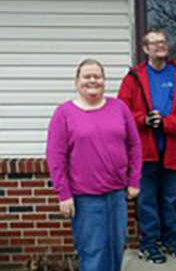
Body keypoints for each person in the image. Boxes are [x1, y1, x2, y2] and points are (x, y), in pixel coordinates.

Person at [46, 58, 142, 271]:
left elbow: (134, 145)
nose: (92, 80)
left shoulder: (119, 108)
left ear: (104, 80)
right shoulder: (64, 113)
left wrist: (134, 180)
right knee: (94, 255)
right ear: (76, 81)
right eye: (86, 76)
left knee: (115, 252)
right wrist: (63, 194)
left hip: (117, 196)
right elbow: (55, 157)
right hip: (85, 199)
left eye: (97, 76)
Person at [118, 29, 176, 264]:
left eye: (163, 42)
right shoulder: (133, 78)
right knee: (146, 201)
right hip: (145, 152)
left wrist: (165, 123)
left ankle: (171, 241)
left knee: (169, 199)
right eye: (154, 43)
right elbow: (122, 112)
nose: (160, 46)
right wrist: (143, 120)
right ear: (145, 49)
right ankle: (149, 244)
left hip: (172, 150)